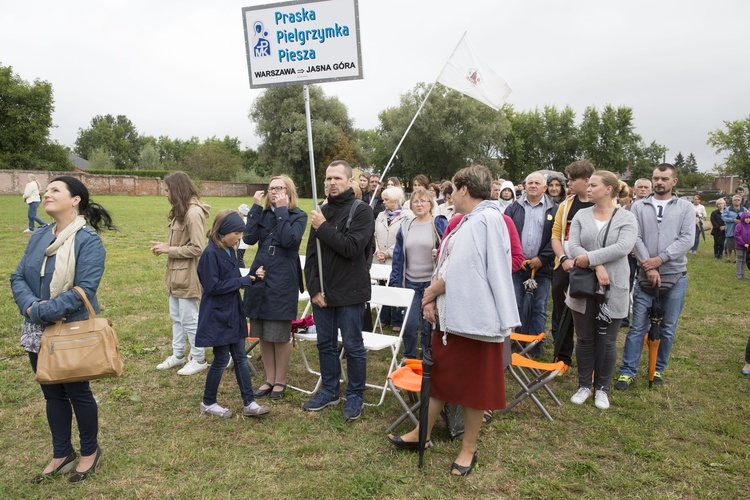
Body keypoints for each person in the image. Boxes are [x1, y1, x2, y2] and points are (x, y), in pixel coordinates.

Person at [387, 165, 519, 477]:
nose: (449, 197)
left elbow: (465, 269)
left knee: (476, 389)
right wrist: (436, 298)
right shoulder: (470, 220)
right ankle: (422, 433)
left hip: (476, 322)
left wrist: (430, 293)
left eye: (452, 191)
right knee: (441, 380)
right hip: (454, 320)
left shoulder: (486, 220)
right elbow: (449, 264)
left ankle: (468, 449)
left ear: (463, 189)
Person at [11, 176, 115, 483]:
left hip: (70, 331)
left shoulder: (88, 240)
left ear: (75, 200)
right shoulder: (40, 235)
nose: (46, 193)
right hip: (37, 329)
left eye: (55, 189)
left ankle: (89, 452)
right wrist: (32, 307)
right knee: (51, 393)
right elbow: (18, 276)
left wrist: (43, 310)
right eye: (46, 190)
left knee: (77, 392)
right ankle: (61, 453)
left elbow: (84, 289)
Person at [303, 160, 375, 421]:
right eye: (328, 178)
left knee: (354, 346)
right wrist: (314, 290)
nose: (331, 183)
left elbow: (351, 248)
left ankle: (355, 395)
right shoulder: (321, 210)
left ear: (350, 181)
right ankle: (330, 390)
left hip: (351, 292)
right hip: (323, 294)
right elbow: (311, 256)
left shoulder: (362, 212)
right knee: (325, 345)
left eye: (337, 178)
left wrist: (322, 227)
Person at [615, 163, 694, 390]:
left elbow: (687, 238)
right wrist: (648, 266)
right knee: (637, 326)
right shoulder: (639, 206)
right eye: (656, 178)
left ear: (674, 182)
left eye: (664, 179)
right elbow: (634, 236)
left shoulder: (685, 208)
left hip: (675, 275)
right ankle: (628, 371)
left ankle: (658, 368)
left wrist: (660, 260)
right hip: (644, 275)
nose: (659, 182)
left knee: (667, 326)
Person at [566, 171, 637, 409]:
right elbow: (573, 245)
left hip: (614, 286)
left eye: (593, 185)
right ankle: (584, 385)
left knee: (607, 340)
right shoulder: (581, 215)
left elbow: (623, 247)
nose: (588, 188)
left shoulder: (626, 218)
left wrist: (590, 258)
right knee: (585, 338)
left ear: (608, 189)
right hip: (583, 287)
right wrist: (596, 265)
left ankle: (602, 389)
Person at [196, 209, 271, 418]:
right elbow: (213, 286)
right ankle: (208, 402)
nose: (240, 238)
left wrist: (252, 277)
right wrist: (245, 281)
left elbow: (233, 278)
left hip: (232, 312)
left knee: (240, 357)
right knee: (220, 360)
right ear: (223, 231)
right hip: (218, 315)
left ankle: (249, 403)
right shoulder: (210, 253)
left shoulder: (230, 250)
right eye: (237, 233)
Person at [244, 175, 307, 400]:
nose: (274, 192)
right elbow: (249, 238)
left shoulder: (298, 215)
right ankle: (269, 378)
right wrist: (255, 208)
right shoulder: (263, 213)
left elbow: (289, 240)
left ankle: (280, 380)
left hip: (283, 275)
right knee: (261, 330)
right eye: (271, 188)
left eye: (279, 188)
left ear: (288, 191)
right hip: (260, 271)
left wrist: (281, 211)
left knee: (279, 333)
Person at [151, 172, 211, 376]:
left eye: (167, 190)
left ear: (177, 190)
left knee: (190, 319)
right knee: (176, 317)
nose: (165, 194)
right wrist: (166, 246)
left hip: (188, 276)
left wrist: (169, 250)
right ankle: (178, 355)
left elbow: (198, 248)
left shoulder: (193, 213)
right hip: (176, 275)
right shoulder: (181, 210)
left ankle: (199, 358)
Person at [505, 171, 559, 357]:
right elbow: (505, 236)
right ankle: (516, 342)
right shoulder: (513, 208)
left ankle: (536, 343)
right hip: (518, 266)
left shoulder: (555, 209)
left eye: (537, 183)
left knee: (539, 306)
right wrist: (517, 258)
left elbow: (556, 237)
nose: (533, 186)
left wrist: (542, 259)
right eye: (530, 183)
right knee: (516, 304)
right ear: (524, 186)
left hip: (542, 268)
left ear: (545, 188)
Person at [389, 188, 447, 359]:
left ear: (431, 204)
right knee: (409, 324)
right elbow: (398, 256)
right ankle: (409, 356)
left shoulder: (438, 223)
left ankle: (426, 358)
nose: (419, 204)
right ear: (411, 205)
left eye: (423, 201)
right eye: (415, 201)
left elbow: (449, 248)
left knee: (429, 325)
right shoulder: (406, 225)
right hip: (410, 283)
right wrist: (395, 281)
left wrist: (440, 252)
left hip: (431, 285)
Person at [551, 160, 595, 370]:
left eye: (571, 180)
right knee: (563, 313)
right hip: (565, 267)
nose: (568, 184)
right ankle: (562, 357)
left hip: (592, 268)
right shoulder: (566, 204)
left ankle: (590, 359)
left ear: (586, 181)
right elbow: (555, 235)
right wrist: (562, 260)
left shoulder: (602, 205)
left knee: (589, 315)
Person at [373, 186, 411, 332]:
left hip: (395, 258)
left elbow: (404, 239)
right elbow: (375, 234)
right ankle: (383, 318)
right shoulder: (381, 215)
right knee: (382, 287)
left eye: (386, 199)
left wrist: (387, 253)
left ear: (395, 200)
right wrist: (378, 251)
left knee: (395, 287)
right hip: (380, 257)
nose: (383, 202)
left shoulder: (406, 216)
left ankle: (397, 320)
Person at [722, 195, 744, 264]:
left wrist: (742, 221)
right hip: (730, 229)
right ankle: (728, 258)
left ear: (741, 201)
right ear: (732, 201)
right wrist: (732, 220)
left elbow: (747, 217)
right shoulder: (728, 209)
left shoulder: (744, 209)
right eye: (735, 200)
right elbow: (723, 217)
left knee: (737, 244)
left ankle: (736, 258)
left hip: (740, 230)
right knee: (729, 244)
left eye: (738, 200)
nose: (737, 201)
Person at [733, 210, 750, 279]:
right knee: (739, 259)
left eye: (749, 218)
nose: (748, 219)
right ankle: (738, 274)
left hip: (748, 246)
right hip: (740, 246)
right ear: (743, 218)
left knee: (745, 260)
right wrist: (743, 243)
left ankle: (743, 274)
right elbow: (737, 235)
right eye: (746, 218)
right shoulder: (739, 225)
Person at [237, 203, 250, 268]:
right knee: (239, 258)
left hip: (241, 244)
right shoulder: (247, 220)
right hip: (243, 243)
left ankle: (242, 269)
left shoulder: (243, 221)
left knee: (239, 259)